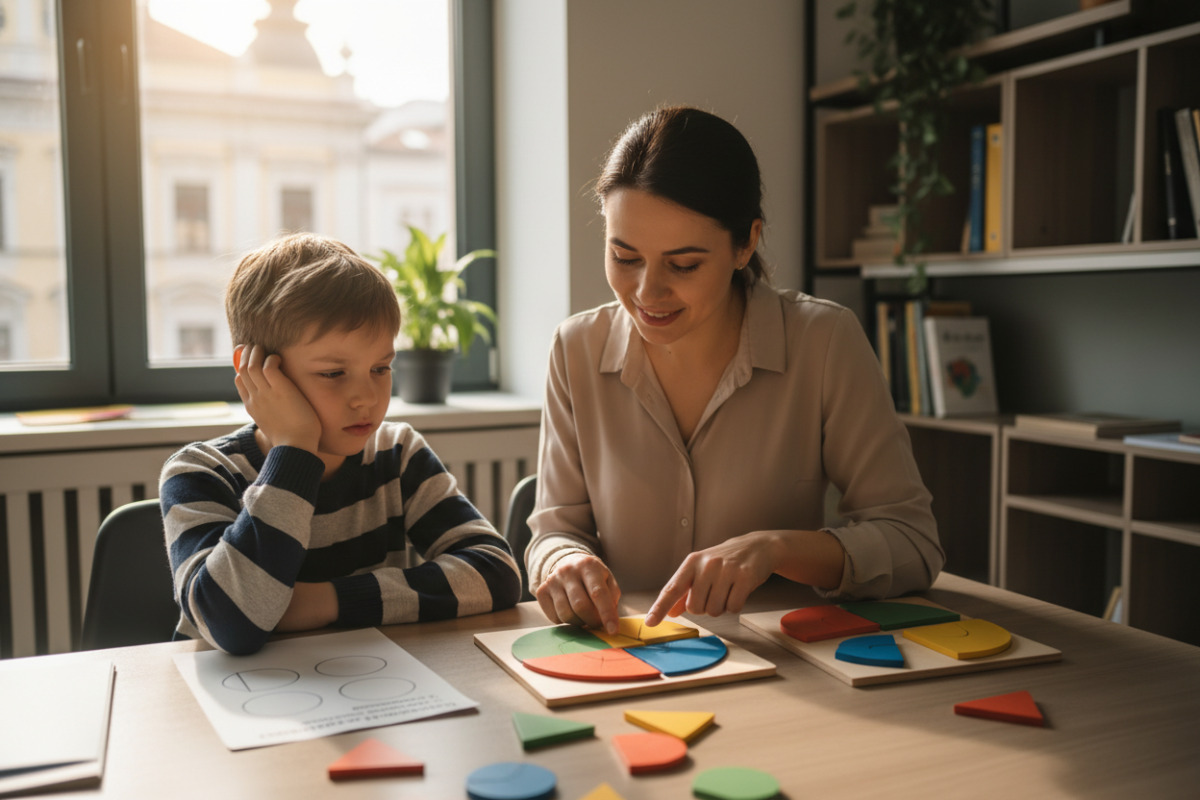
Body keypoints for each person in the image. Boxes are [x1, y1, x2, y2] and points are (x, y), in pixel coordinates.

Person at [526, 106, 942, 636]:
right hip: (630, 661)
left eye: (684, 265)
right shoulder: (575, 349)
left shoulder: (824, 341)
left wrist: (777, 548)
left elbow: (913, 544)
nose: (647, 293)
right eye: (624, 257)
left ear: (746, 243)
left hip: (789, 668)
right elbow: (553, 533)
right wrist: (560, 563)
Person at [160, 233, 521, 654]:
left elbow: (496, 572)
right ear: (257, 371)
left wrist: (324, 601)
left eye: (381, 368)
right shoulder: (199, 473)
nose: (366, 397)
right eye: (333, 373)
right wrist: (293, 450)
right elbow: (233, 624)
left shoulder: (396, 453)